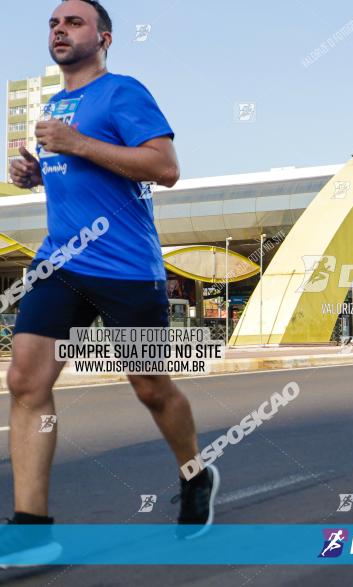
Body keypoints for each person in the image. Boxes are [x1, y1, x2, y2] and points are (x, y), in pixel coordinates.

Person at [2, 0, 218, 564]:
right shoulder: (55, 104)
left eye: (73, 22)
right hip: (60, 264)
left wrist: (75, 144)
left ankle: (195, 473)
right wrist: (32, 175)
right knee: (25, 378)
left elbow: (165, 168)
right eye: (53, 23)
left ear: (105, 37)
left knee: (150, 387)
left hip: (126, 268)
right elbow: (78, 181)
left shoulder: (124, 91)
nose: (59, 29)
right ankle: (32, 530)